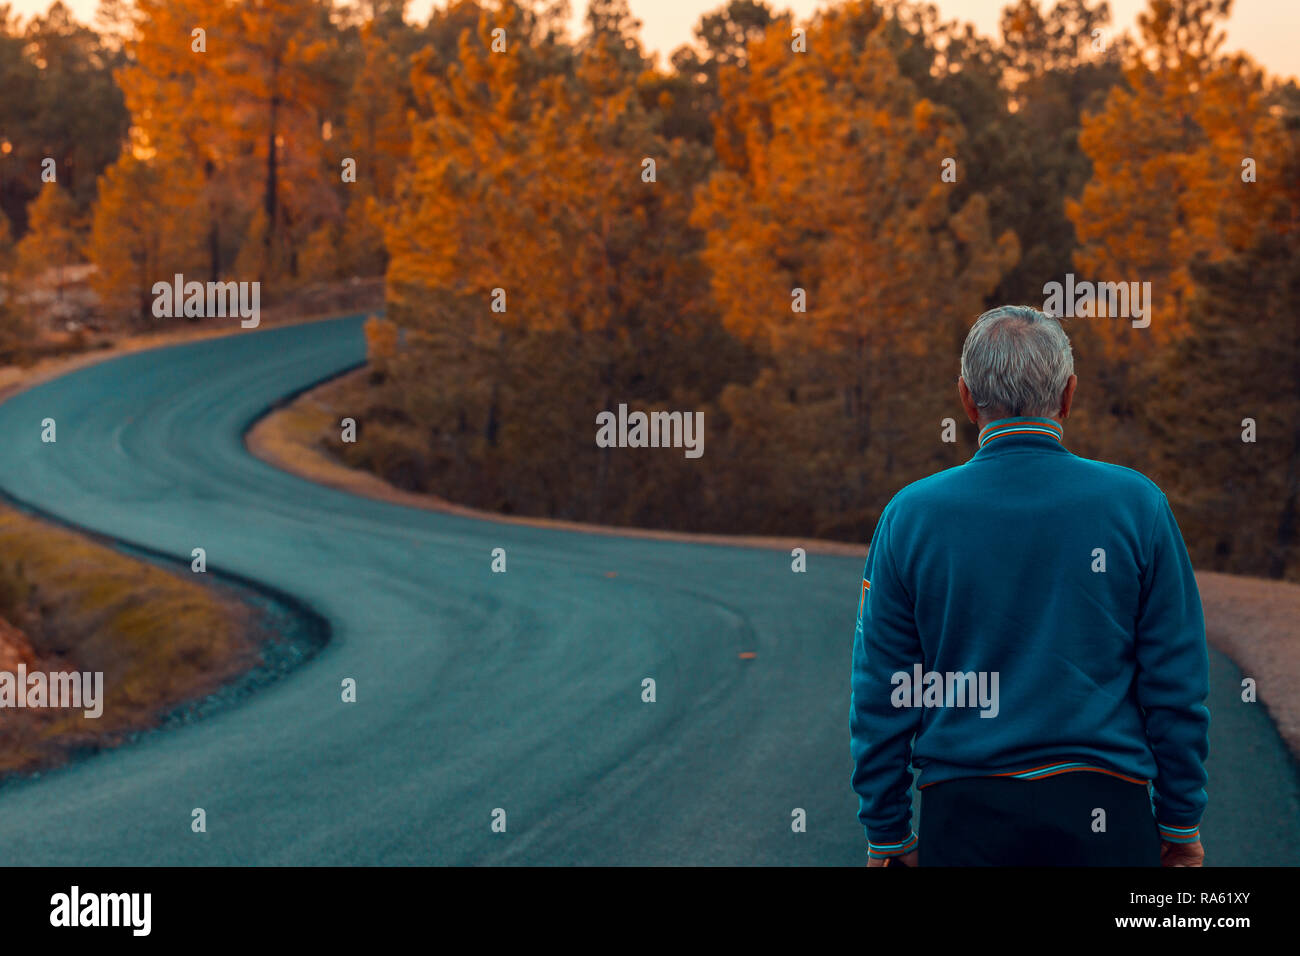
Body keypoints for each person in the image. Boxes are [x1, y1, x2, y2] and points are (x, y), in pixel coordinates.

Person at [850, 305, 1210, 867]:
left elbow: (884, 687)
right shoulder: (1137, 504)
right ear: (1068, 395)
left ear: (967, 399)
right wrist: (1180, 819)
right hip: (1107, 812)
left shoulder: (911, 515)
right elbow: (1175, 678)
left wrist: (888, 832)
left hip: (964, 812)